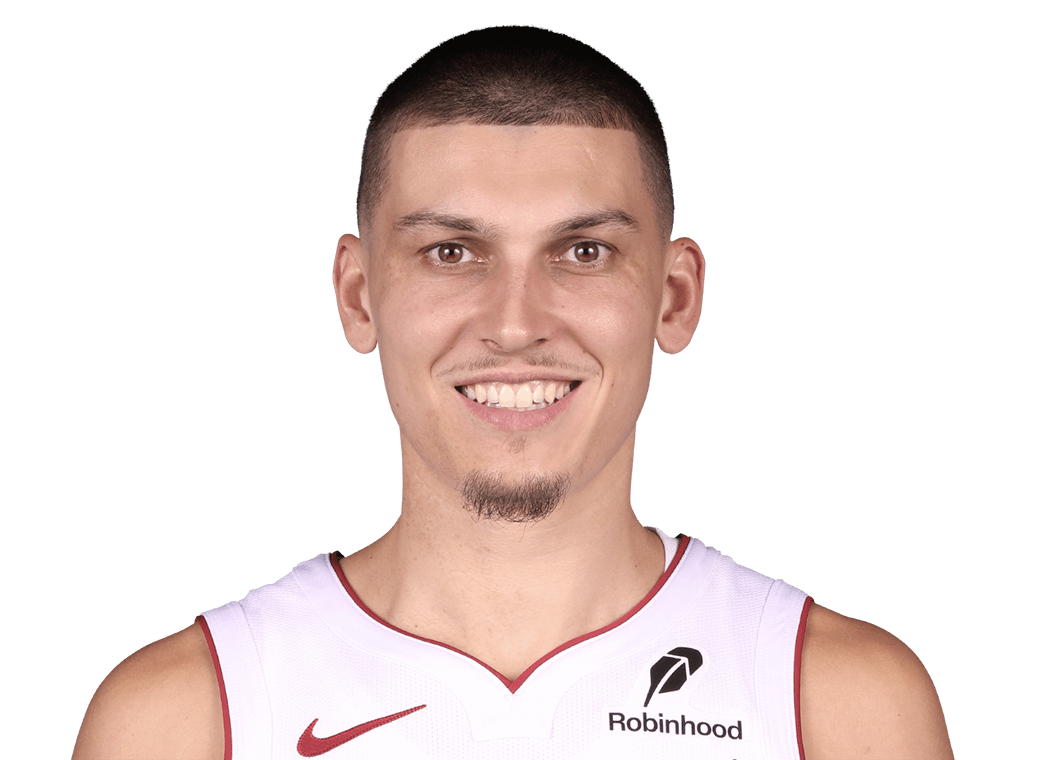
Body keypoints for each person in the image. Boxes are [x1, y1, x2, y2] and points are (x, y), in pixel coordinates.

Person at [73, 26, 954, 759]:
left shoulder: (840, 706)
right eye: (452, 252)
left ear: (675, 297)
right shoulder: (183, 719)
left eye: (583, 252)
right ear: (358, 296)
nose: (515, 322)